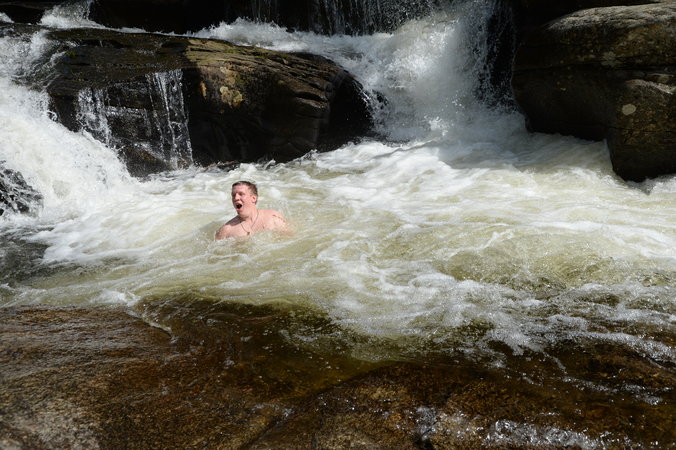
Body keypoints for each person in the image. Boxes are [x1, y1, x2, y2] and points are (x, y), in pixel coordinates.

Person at [215, 180, 289, 239]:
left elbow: (288, 239)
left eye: (241, 194)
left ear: (253, 198)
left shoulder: (272, 217)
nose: (236, 198)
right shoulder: (226, 231)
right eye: (233, 195)